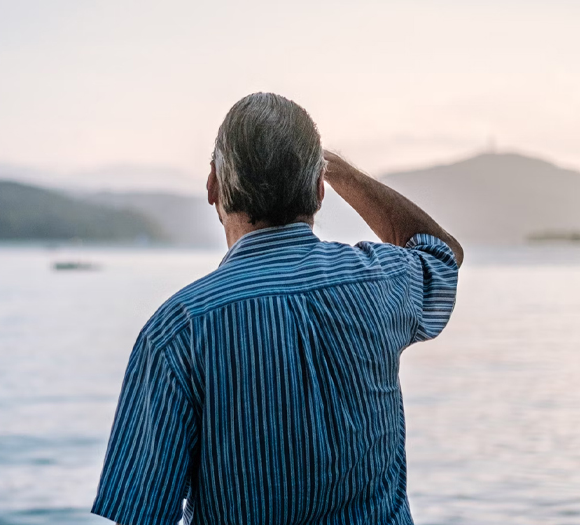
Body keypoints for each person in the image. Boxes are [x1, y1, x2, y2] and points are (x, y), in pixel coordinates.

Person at [92, 92, 462, 525]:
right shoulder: (382, 281)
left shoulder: (179, 331)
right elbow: (442, 255)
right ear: (321, 191)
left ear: (213, 186)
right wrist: (343, 172)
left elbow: (142, 516)